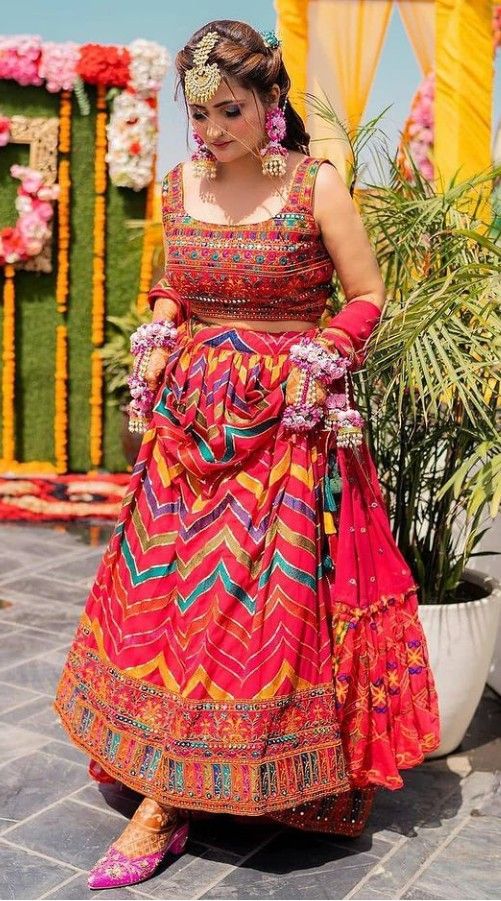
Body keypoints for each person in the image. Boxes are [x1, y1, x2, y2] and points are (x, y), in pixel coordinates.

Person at [54, 19, 440, 892]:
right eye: (199, 113)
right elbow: (175, 284)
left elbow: (366, 294)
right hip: (189, 432)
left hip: (287, 435)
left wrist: (326, 351)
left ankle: (232, 782)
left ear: (271, 105)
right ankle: (166, 787)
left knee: (248, 617)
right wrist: (159, 325)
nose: (212, 130)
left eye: (229, 110)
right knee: (167, 608)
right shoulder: (178, 185)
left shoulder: (311, 185)